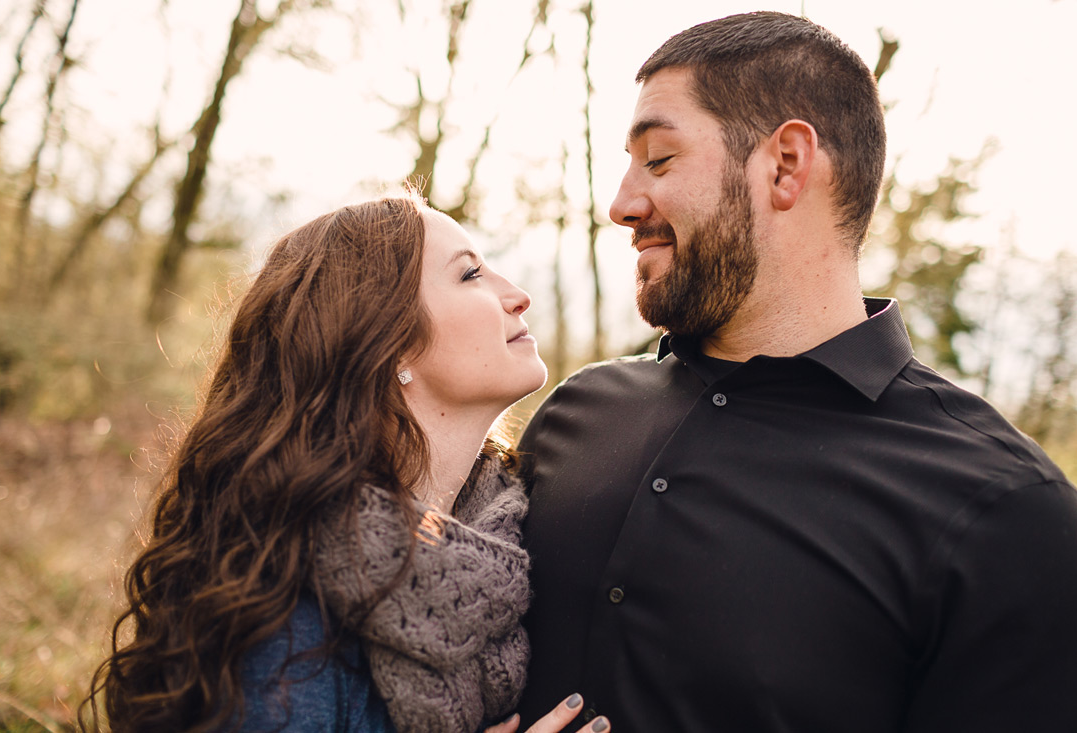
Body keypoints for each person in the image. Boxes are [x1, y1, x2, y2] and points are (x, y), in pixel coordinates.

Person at [516, 11, 1077, 733]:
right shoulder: (574, 413)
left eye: (658, 160)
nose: (622, 204)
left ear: (785, 164)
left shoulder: (1008, 512)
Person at [80, 193, 611, 733]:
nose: (517, 296)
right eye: (471, 274)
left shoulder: (506, 540)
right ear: (388, 340)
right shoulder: (285, 617)